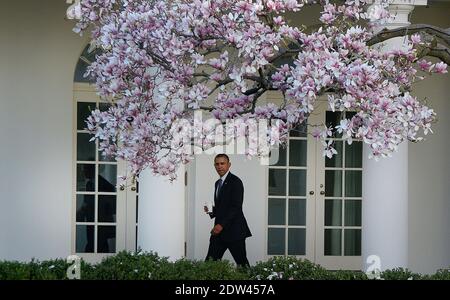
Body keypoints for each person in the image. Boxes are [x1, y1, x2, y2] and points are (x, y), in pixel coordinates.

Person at [204, 154, 252, 267]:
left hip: (234, 232)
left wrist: (221, 225)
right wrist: (211, 211)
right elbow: (223, 208)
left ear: (229, 165)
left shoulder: (235, 182)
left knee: (242, 265)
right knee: (209, 264)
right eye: (217, 164)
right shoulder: (217, 183)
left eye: (222, 163)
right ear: (214, 166)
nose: (219, 166)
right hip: (219, 233)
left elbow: (236, 207)